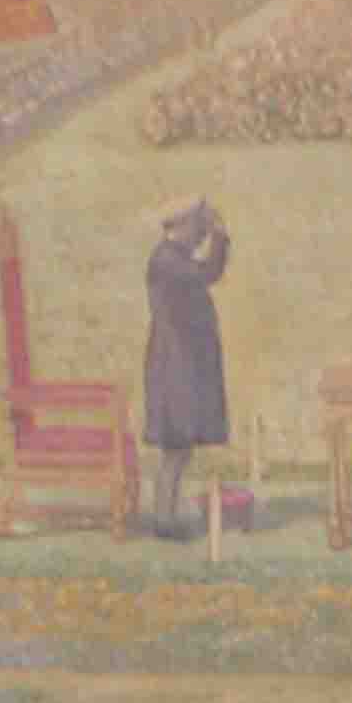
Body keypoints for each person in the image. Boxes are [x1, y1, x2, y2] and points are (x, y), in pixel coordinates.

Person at [141, 198, 234, 529]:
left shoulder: (173, 258)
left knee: (180, 448)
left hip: (181, 364)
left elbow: (207, 272)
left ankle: (167, 515)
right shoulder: (167, 260)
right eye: (197, 228)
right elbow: (209, 272)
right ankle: (163, 520)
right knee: (175, 447)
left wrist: (217, 235)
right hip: (175, 367)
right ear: (178, 226)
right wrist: (220, 236)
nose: (200, 237)